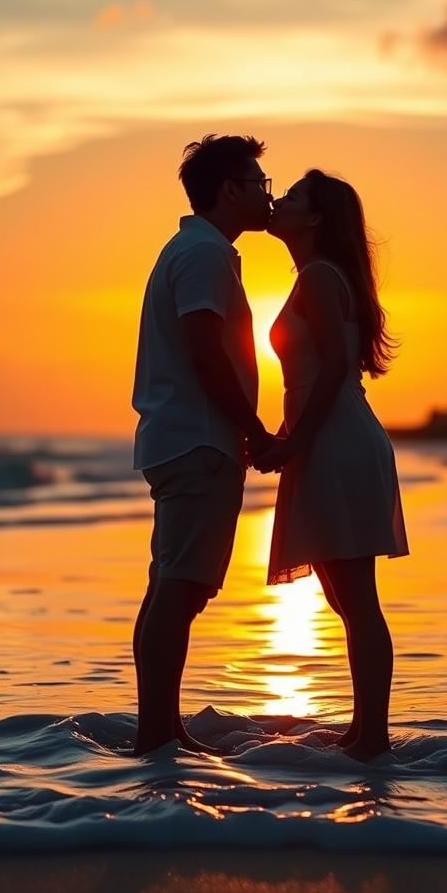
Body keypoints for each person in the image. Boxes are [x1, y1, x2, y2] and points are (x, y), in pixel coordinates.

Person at [256, 169, 409, 761]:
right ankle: (363, 728)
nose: (279, 200)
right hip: (329, 438)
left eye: (292, 196)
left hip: (336, 441)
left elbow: (332, 378)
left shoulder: (320, 277)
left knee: (357, 597)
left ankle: (373, 737)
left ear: (315, 218)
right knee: (345, 598)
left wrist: (290, 445)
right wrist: (283, 439)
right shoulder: (316, 277)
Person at [131, 134, 275, 756]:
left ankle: (159, 727)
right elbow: (205, 351)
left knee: (170, 584)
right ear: (229, 190)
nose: (268, 194)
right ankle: (158, 733)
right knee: (181, 588)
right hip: (198, 441)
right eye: (259, 183)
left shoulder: (197, 250)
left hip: (185, 438)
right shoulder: (203, 254)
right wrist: (254, 430)